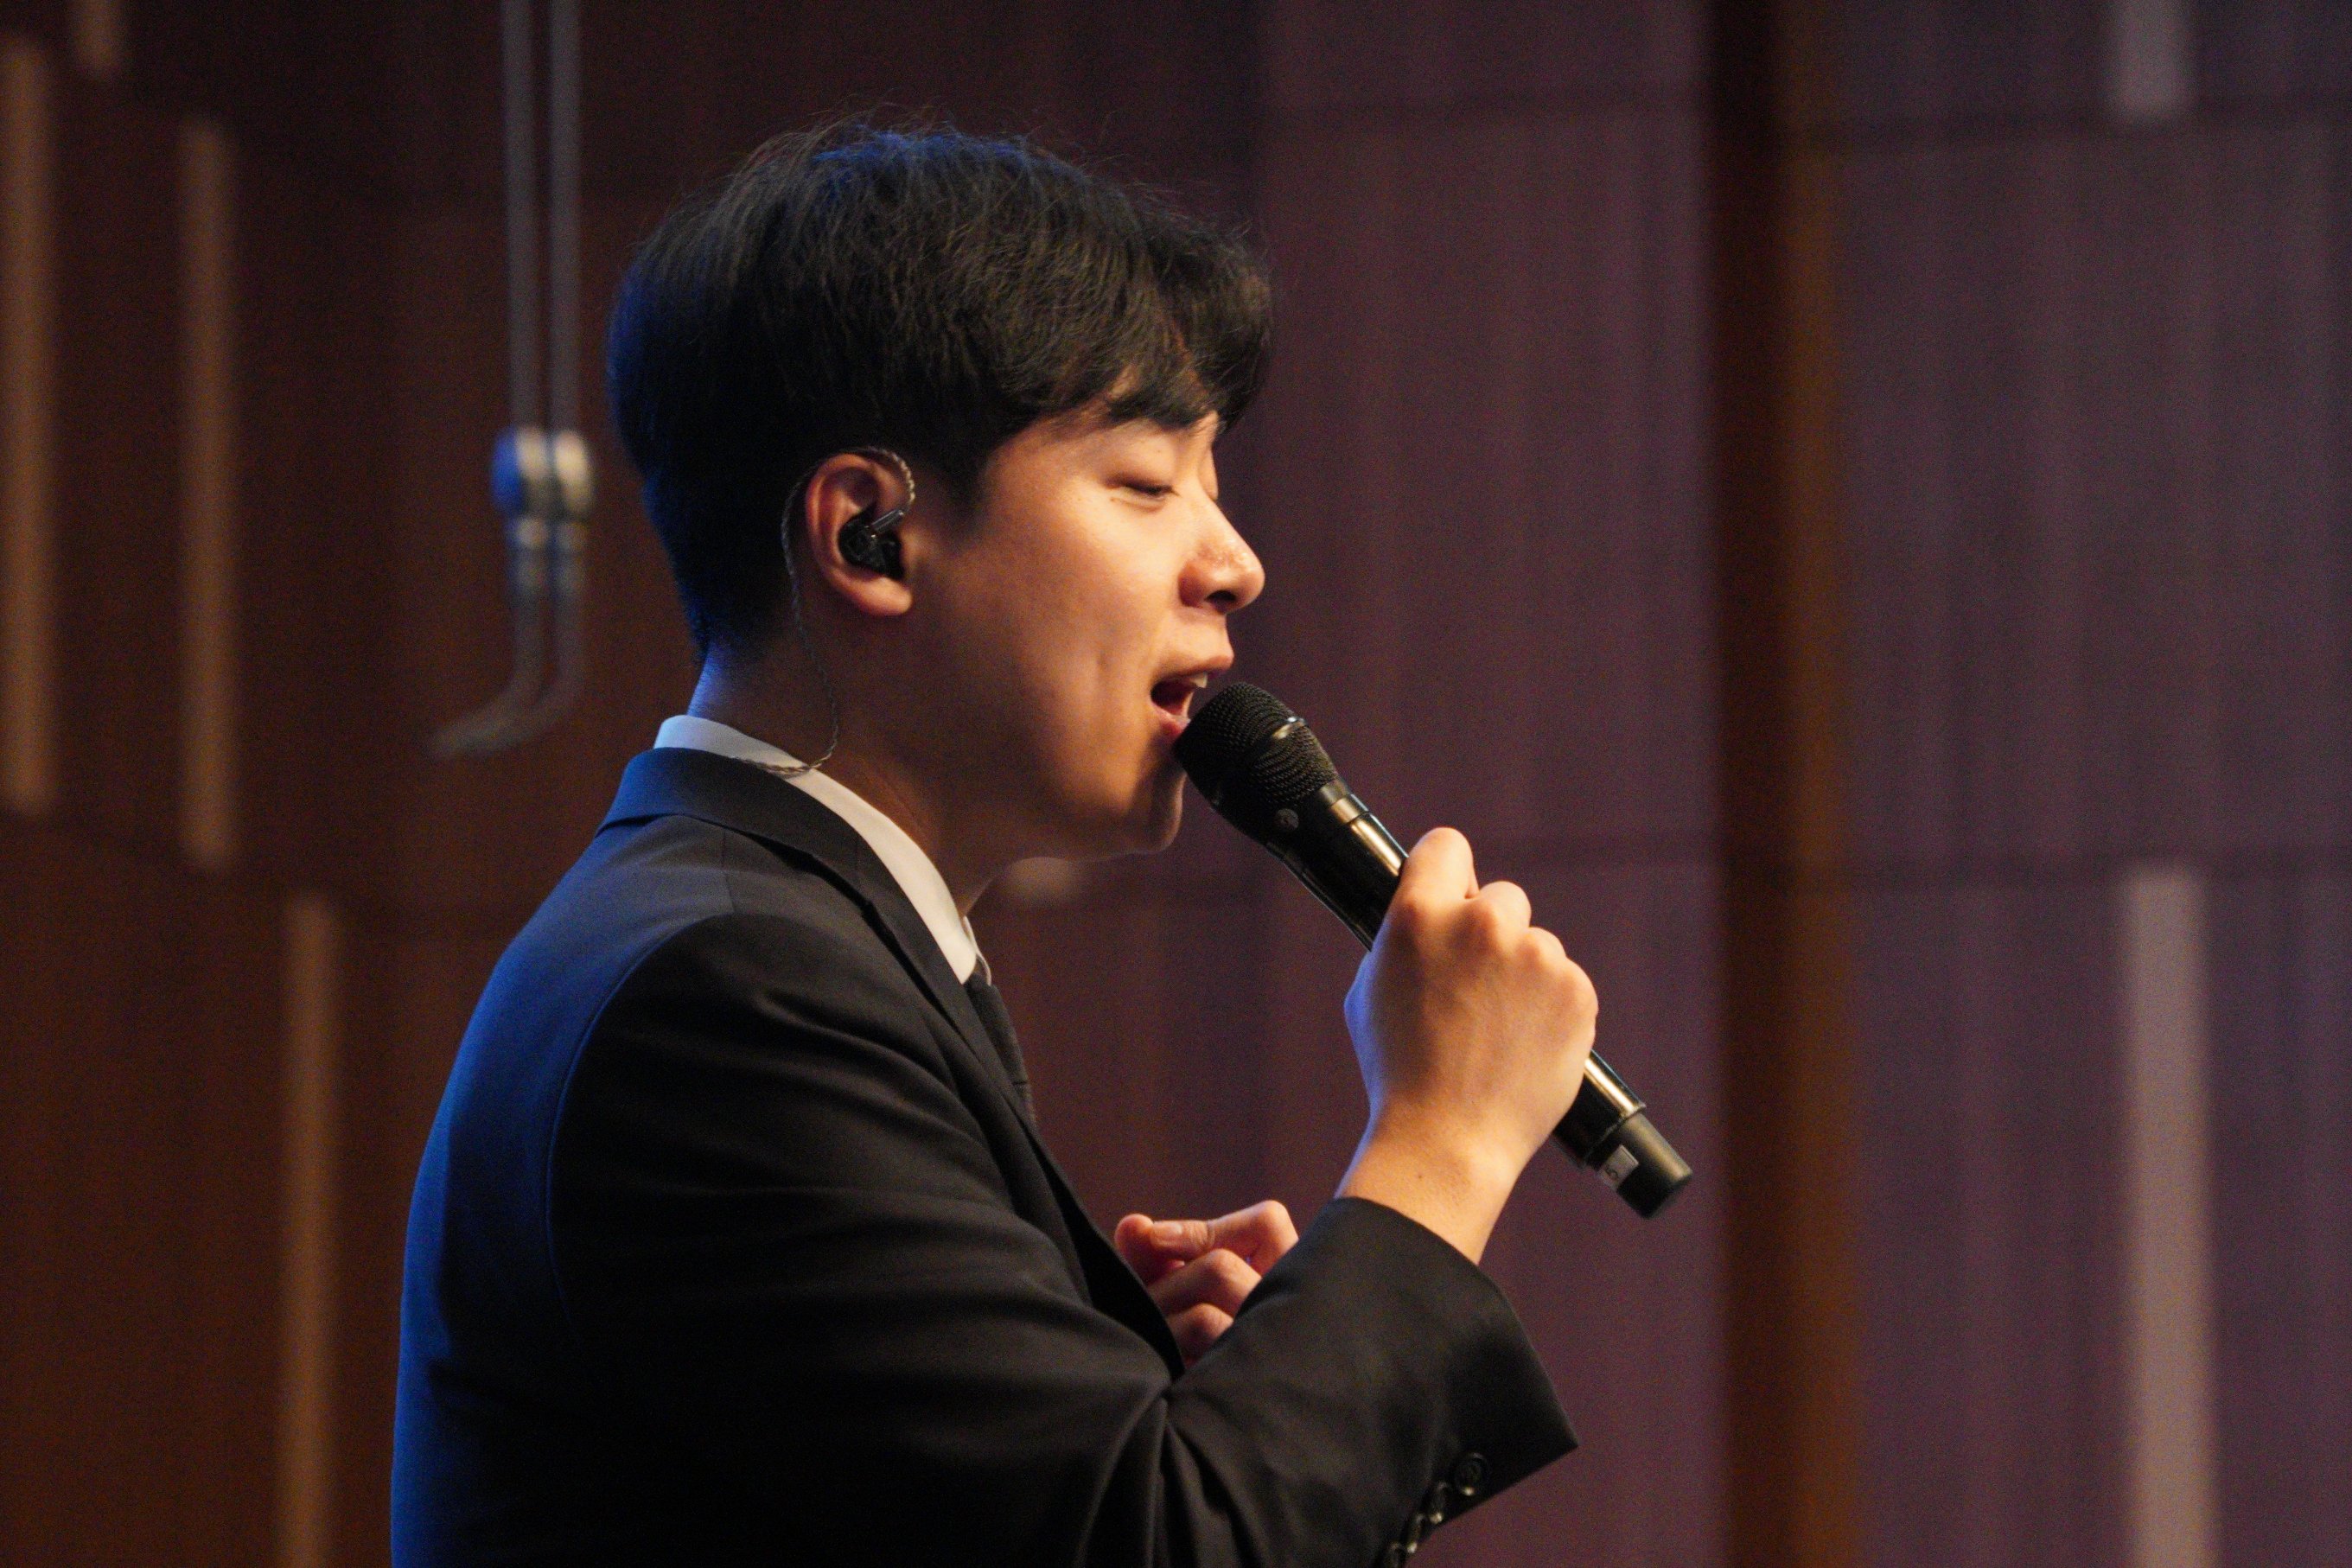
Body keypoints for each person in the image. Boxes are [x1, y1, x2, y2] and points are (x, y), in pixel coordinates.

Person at [393, 119, 1597, 1567]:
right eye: (1146, 483)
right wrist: (1439, 1137)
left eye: (1212, 487)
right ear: (872, 535)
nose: (1233, 563)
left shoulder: (772, 935)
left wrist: (1161, 1401)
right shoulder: (731, 994)